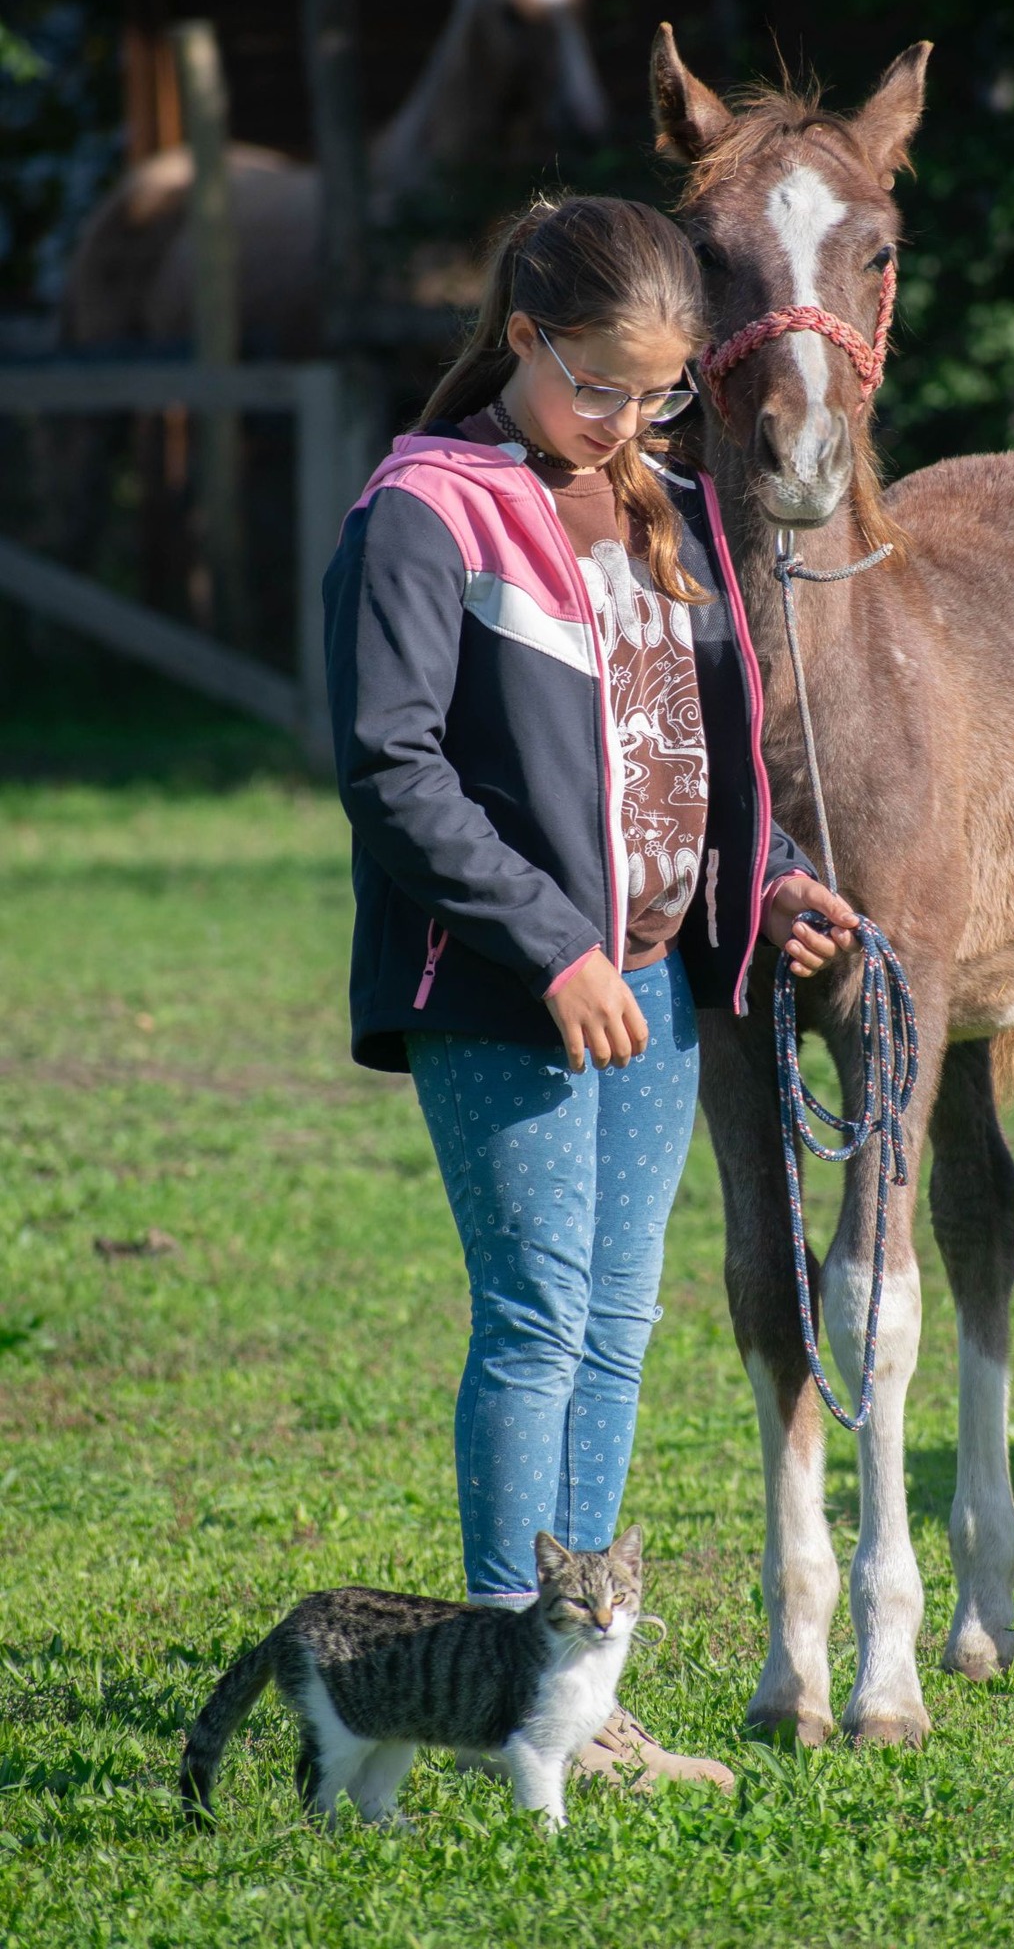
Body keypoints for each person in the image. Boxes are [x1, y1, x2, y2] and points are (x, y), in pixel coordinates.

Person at [322, 195, 858, 1790]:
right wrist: (550, 947)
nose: (629, 419)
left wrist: (760, 890)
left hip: (654, 988)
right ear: (525, 339)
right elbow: (389, 769)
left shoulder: (672, 509)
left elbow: (691, 749)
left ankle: (578, 1712)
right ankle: (504, 1675)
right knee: (540, 1320)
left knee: (618, 1328)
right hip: (506, 992)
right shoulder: (427, 513)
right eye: (602, 386)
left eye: (661, 390)